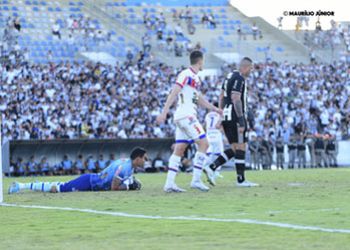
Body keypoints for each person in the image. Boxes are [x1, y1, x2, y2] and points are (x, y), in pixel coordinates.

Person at [157, 50, 221, 192]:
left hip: (182, 117)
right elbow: (174, 91)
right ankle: (196, 180)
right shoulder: (186, 74)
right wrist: (164, 112)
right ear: (200, 61)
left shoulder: (194, 78)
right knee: (204, 143)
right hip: (186, 116)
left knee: (180, 149)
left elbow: (198, 99)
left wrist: (214, 108)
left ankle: (169, 183)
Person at [205, 57, 259, 187]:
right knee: (241, 147)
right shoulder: (240, 78)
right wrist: (241, 119)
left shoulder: (229, 76)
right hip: (235, 116)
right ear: (245, 67)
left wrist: (221, 115)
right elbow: (235, 98)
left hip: (227, 116)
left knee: (235, 148)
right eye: (250, 69)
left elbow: (221, 96)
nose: (251, 71)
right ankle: (241, 180)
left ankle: (212, 167)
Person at [8, 147, 147, 194]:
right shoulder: (126, 167)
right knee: (58, 189)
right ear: (138, 158)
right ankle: (21, 186)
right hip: (89, 182)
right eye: (144, 158)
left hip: (92, 181)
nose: (145, 161)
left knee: (59, 186)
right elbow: (114, 187)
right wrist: (128, 187)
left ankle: (32, 184)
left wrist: (130, 183)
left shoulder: (127, 164)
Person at [205, 102, 224, 177]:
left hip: (209, 134)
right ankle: (216, 171)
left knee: (209, 153)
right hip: (216, 134)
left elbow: (205, 125)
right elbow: (218, 126)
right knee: (219, 154)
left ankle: (206, 166)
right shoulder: (220, 115)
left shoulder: (207, 115)